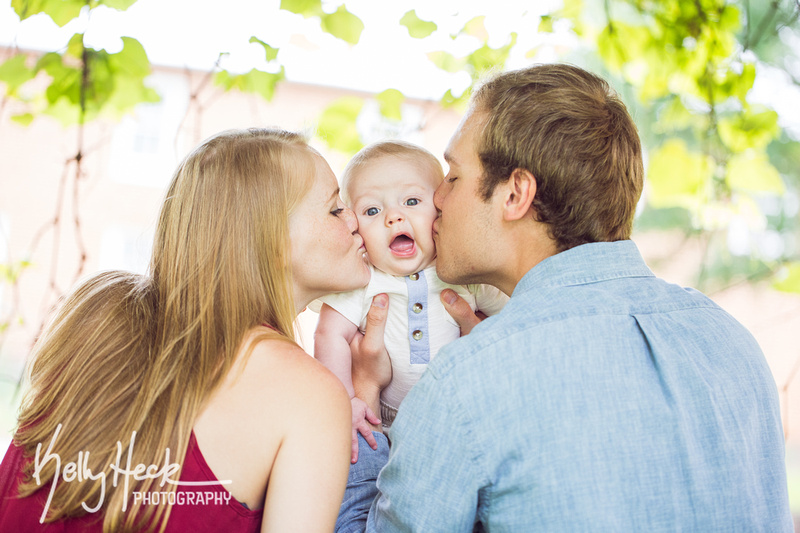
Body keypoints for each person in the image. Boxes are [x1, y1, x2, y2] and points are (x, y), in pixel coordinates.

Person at [337, 64, 794, 531]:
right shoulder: (732, 342)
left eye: (452, 176)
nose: (436, 198)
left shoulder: (466, 380)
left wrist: (360, 400)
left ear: (515, 194)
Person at [0, 128, 368, 532]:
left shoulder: (95, 315)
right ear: (273, 239)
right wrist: (360, 391)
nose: (357, 220)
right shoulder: (310, 395)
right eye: (336, 209)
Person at [313, 141, 507, 462]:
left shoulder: (460, 275)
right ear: (356, 228)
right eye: (372, 210)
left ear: (440, 210)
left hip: (456, 424)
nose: (393, 217)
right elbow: (328, 334)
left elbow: (514, 312)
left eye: (412, 201)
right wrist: (346, 399)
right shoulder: (363, 281)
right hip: (384, 428)